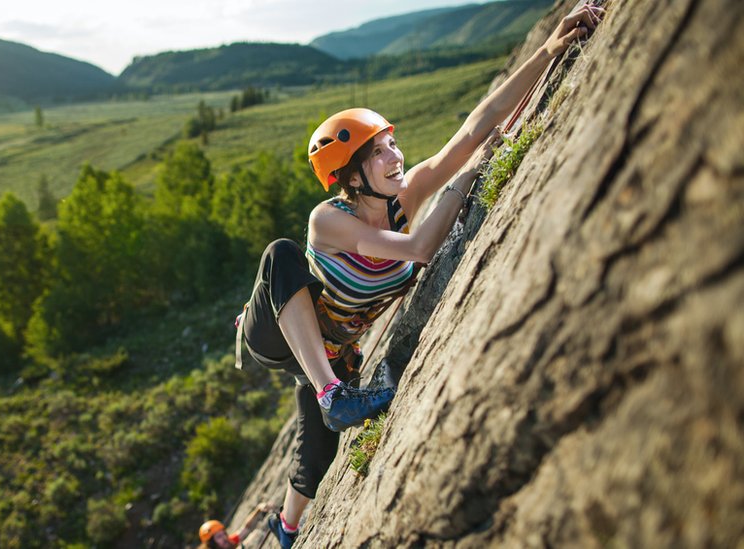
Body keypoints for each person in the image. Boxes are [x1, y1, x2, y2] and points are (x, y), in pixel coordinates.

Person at [232, 4, 605, 548]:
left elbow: (475, 128)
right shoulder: (329, 220)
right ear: (350, 177)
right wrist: (464, 184)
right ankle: (333, 393)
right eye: (377, 154)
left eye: (391, 145)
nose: (395, 158)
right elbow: (420, 248)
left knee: (317, 451)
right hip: (274, 331)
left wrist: (549, 49)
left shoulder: (404, 197)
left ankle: (284, 527)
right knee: (280, 253)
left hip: (326, 346)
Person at [197, 501, 274, 548]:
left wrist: (258, 510)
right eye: (219, 537)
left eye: (224, 534)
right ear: (212, 544)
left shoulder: (229, 542)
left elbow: (246, 528)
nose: (224, 538)